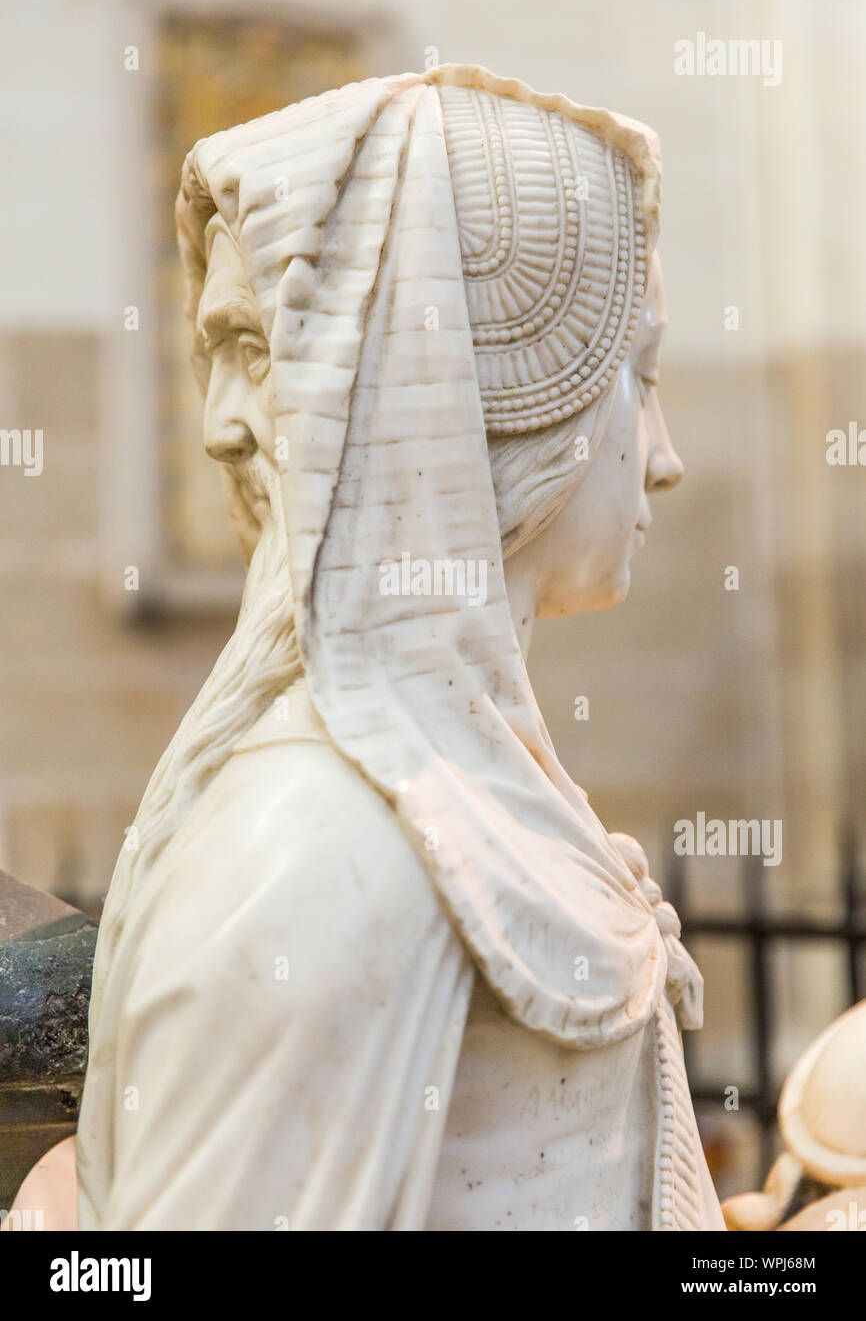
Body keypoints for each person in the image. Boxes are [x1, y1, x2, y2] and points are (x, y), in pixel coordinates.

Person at [75, 64, 724, 1230]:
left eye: (256, 352)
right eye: (638, 376)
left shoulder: (466, 792)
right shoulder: (325, 851)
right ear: (501, 392)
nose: (663, 455)